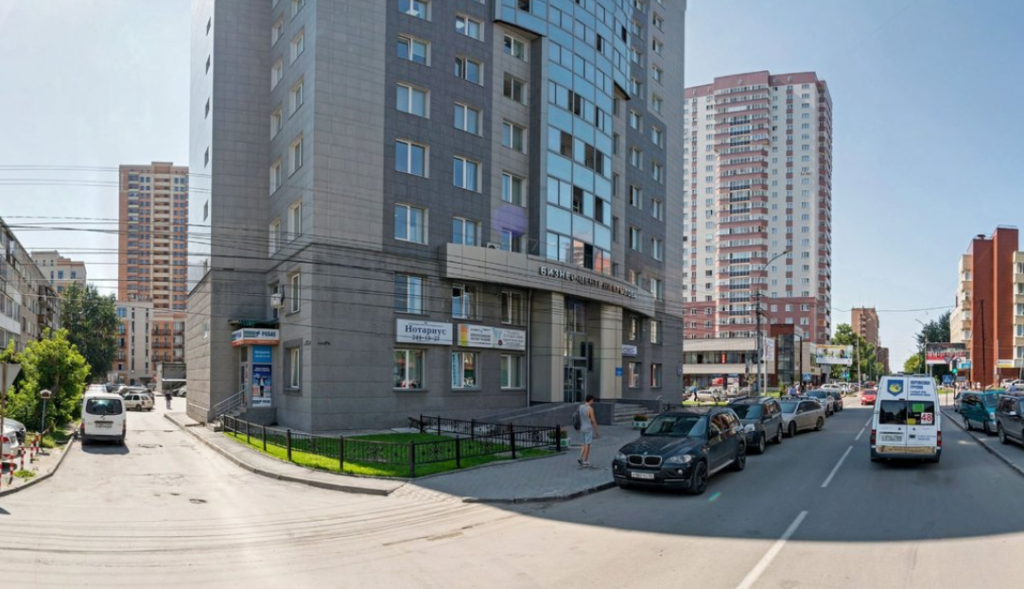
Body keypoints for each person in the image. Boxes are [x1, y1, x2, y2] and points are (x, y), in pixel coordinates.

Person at [577, 395, 599, 468]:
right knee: (587, 444)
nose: (593, 402)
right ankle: (585, 460)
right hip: (588, 428)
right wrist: (596, 430)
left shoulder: (580, 407)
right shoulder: (590, 409)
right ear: (590, 400)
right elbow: (593, 420)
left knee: (584, 443)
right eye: (592, 400)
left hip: (582, 428)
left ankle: (580, 457)